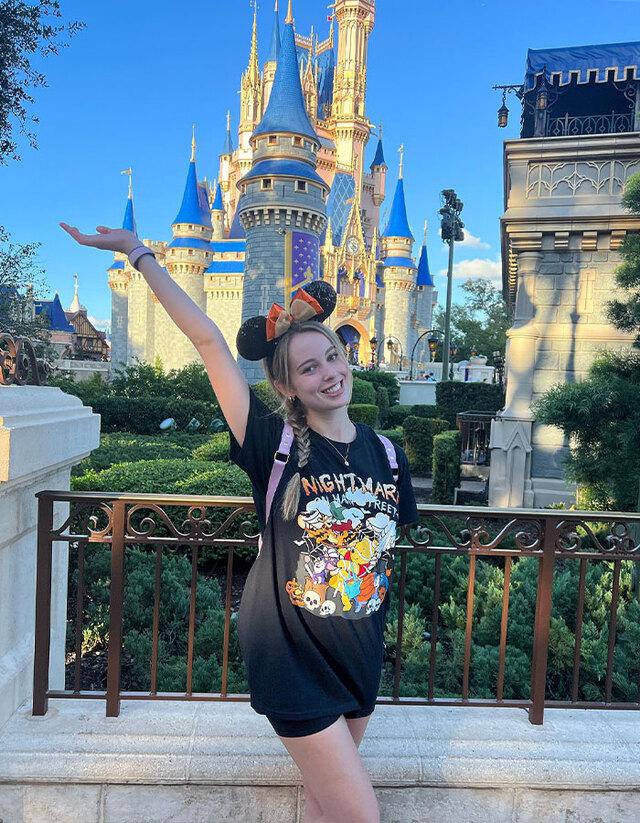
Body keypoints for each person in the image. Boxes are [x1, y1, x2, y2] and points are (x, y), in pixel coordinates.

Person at [60, 221, 418, 823]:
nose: (329, 371)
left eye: (333, 354)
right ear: (286, 385)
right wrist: (138, 253)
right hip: (290, 653)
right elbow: (208, 343)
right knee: (361, 816)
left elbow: (377, 555)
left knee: (325, 805)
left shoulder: (387, 454)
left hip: (358, 651)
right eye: (308, 368)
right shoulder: (271, 443)